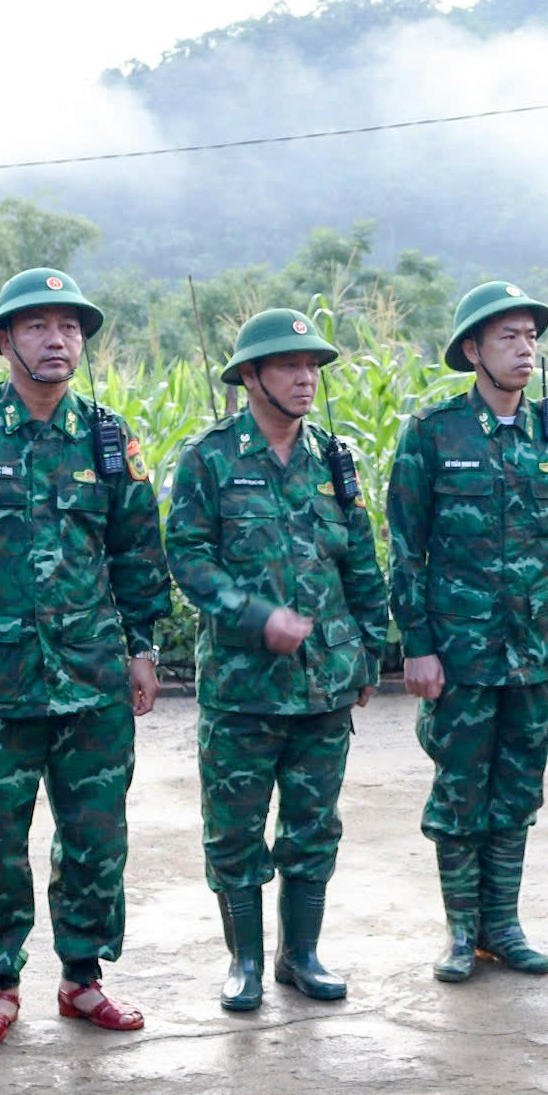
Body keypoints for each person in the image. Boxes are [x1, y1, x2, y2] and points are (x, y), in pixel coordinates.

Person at [0, 267, 169, 1048]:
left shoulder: (110, 438)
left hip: (91, 680)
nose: (59, 341)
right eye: (39, 326)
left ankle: (83, 979)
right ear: (5, 341)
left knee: (95, 834)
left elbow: (136, 551)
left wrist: (144, 645)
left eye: (71, 328)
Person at [166, 309, 389, 1010]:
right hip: (242, 689)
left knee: (313, 826)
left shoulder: (335, 458)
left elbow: (360, 560)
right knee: (234, 830)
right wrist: (256, 616)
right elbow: (188, 558)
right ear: (251, 375)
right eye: (290, 365)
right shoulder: (211, 458)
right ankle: (246, 962)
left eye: (313, 366)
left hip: (324, 686)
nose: (305, 378)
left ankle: (302, 955)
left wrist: (370, 651)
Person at [385, 281, 548, 982]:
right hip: (461, 652)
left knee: (518, 786)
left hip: (534, 649)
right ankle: (461, 931)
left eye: (532, 335)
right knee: (458, 789)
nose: (525, 347)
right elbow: (406, 546)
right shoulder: (434, 432)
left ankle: (503, 925)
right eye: (508, 336)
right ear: (473, 349)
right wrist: (416, 642)